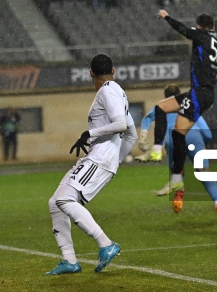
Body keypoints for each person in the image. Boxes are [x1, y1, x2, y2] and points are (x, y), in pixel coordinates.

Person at [46, 54, 137, 275]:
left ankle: (106, 244)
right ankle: (69, 260)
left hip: (99, 158)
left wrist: (90, 134)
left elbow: (120, 125)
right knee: (54, 202)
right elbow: (131, 134)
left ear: (90, 73)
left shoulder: (107, 90)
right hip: (100, 158)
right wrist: (115, 160)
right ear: (113, 70)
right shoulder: (117, 92)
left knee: (64, 199)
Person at [148, 10, 217, 212]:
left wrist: (166, 16)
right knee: (162, 107)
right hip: (202, 93)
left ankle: (176, 179)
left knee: (177, 135)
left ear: (199, 26)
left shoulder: (200, 35)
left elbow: (182, 29)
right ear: (214, 27)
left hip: (200, 93)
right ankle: (162, 158)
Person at [137, 85, 217, 218]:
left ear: (165, 96)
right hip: (194, 136)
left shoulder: (164, 105)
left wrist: (143, 135)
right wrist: (201, 142)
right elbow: (208, 134)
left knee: (177, 172)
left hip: (172, 138)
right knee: (205, 174)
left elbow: (147, 118)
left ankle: (179, 191)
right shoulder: (190, 104)